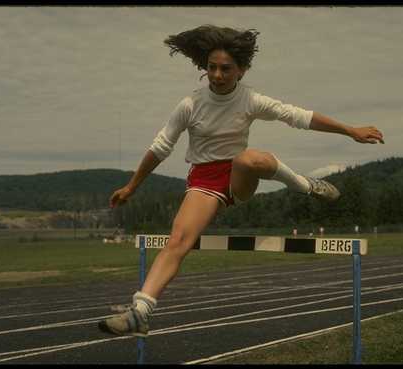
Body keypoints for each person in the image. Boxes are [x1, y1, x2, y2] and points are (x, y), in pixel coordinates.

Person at [98, 25, 384, 337]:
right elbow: (159, 148)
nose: (217, 75)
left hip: (238, 177)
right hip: (204, 181)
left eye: (226, 69)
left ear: (242, 70)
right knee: (178, 241)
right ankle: (141, 311)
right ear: (204, 67)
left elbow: (299, 116)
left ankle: (305, 185)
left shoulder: (250, 100)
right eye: (212, 68)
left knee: (250, 158)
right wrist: (131, 186)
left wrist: (350, 130)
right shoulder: (190, 105)